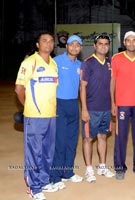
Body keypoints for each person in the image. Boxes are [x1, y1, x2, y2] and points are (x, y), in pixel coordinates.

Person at [15, 31, 58, 200]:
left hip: (51, 116)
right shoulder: (29, 62)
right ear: (38, 45)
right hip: (34, 117)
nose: (48, 43)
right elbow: (19, 89)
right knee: (34, 152)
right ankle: (33, 187)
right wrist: (29, 108)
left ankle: (44, 181)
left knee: (48, 151)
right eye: (44, 41)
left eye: (51, 41)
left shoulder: (53, 64)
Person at [110, 31, 135, 180]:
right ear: (124, 43)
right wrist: (112, 102)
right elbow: (112, 81)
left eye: (134, 41)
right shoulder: (117, 58)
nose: (131, 43)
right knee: (121, 137)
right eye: (128, 40)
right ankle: (120, 167)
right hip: (122, 104)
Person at [49, 35, 84, 190]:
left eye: (78, 45)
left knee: (72, 140)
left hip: (73, 105)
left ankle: (67, 172)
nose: (74, 47)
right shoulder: (56, 61)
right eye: (72, 44)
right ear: (66, 46)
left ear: (81, 48)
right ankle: (55, 176)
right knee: (60, 142)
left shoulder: (81, 65)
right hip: (59, 104)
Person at [80, 33, 115, 183]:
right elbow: (82, 87)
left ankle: (102, 166)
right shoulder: (87, 63)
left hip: (106, 109)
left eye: (106, 43)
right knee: (88, 138)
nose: (103, 46)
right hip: (92, 109)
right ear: (94, 46)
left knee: (102, 137)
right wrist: (84, 109)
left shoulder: (111, 62)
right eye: (100, 43)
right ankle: (89, 169)